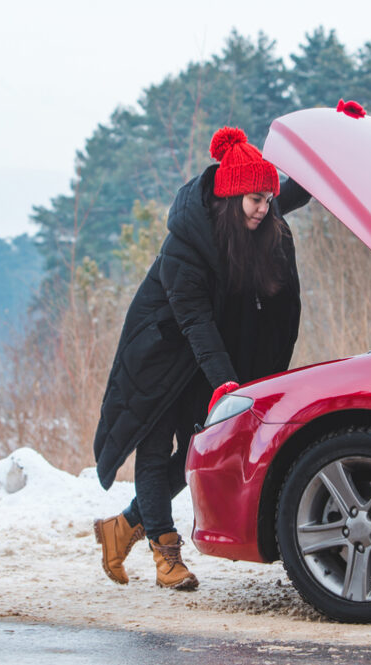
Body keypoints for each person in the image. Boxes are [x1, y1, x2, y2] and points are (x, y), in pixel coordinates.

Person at [92, 126, 310, 590]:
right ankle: (165, 555)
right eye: (256, 200)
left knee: (196, 448)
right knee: (154, 453)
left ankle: (122, 527)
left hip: (199, 357)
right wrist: (226, 383)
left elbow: (293, 194)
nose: (264, 209)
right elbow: (195, 323)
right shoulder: (184, 246)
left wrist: (336, 146)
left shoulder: (252, 220)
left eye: (267, 200)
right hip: (159, 354)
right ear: (232, 199)